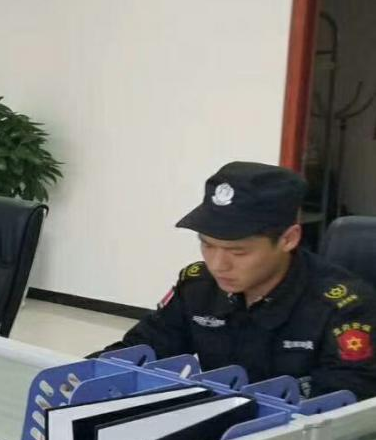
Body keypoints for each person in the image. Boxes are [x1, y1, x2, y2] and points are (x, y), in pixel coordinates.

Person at [101, 161, 376, 400]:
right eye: (207, 245)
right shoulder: (198, 286)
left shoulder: (343, 308)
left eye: (238, 252)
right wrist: (88, 375)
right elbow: (141, 350)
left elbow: (342, 408)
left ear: (288, 239)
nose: (218, 265)